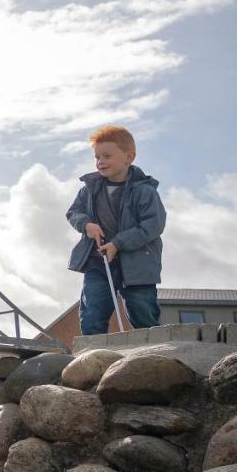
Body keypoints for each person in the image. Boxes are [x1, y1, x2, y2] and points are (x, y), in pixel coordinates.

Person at [66, 124, 165, 335]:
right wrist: (86, 225)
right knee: (92, 310)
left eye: (107, 156)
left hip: (138, 263)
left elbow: (153, 225)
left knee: (143, 313)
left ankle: (152, 355)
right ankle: (91, 357)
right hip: (99, 261)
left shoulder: (145, 191)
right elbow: (74, 212)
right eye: (97, 157)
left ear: (129, 157)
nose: (100, 162)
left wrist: (118, 243)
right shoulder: (89, 189)